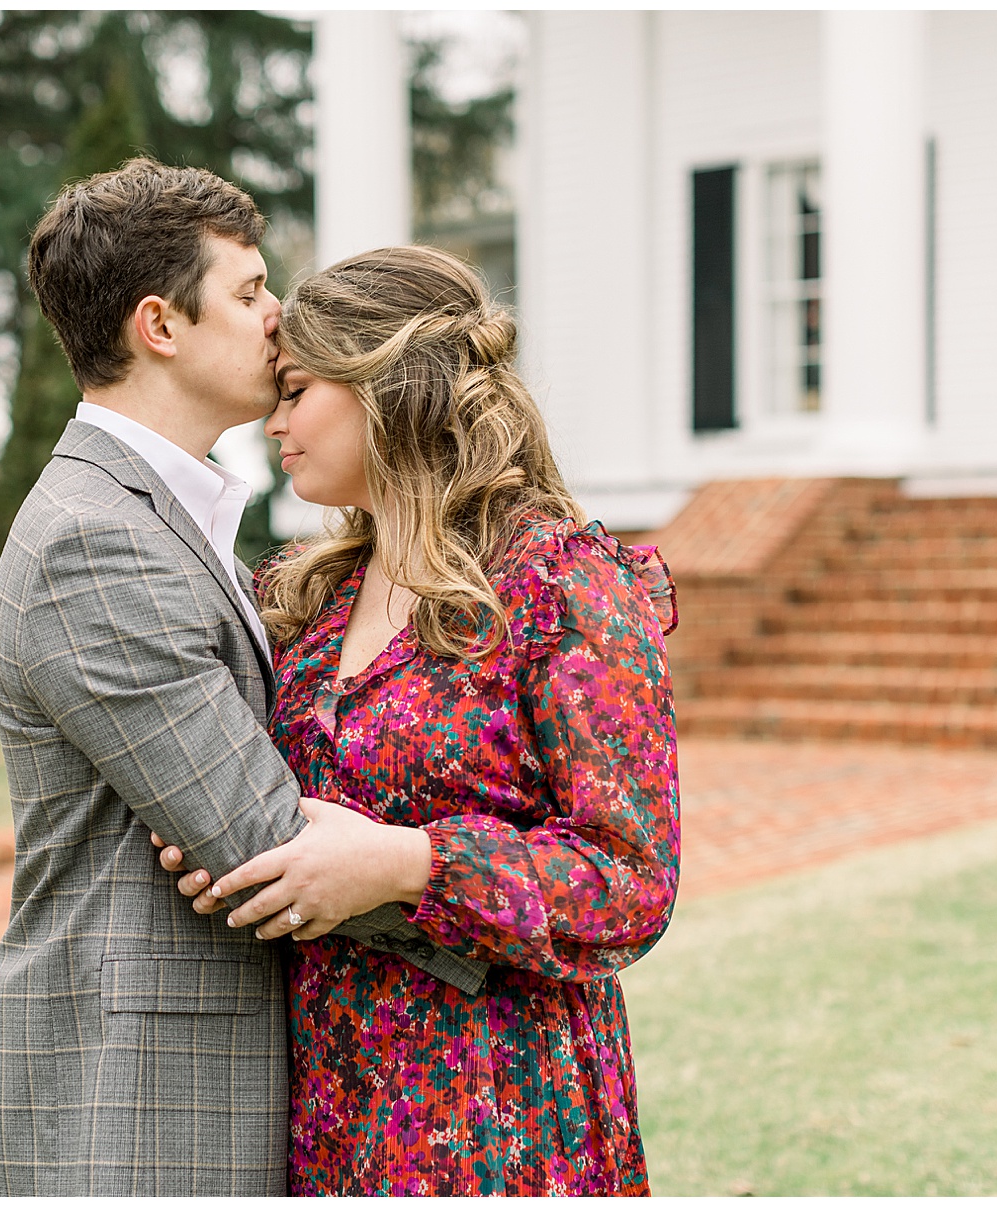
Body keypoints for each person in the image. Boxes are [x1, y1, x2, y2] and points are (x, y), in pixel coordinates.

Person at [0, 161, 485, 1196]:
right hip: (143, 1107)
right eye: (249, 293)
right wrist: (490, 892)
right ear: (160, 325)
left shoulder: (169, 519)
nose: (278, 318)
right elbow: (259, 843)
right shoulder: (95, 542)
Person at [154, 245, 681, 1195]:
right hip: (324, 1097)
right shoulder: (307, 598)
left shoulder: (560, 585)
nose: (273, 421)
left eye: (298, 389)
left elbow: (633, 882)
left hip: (499, 1105)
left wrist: (409, 863)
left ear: (385, 386)